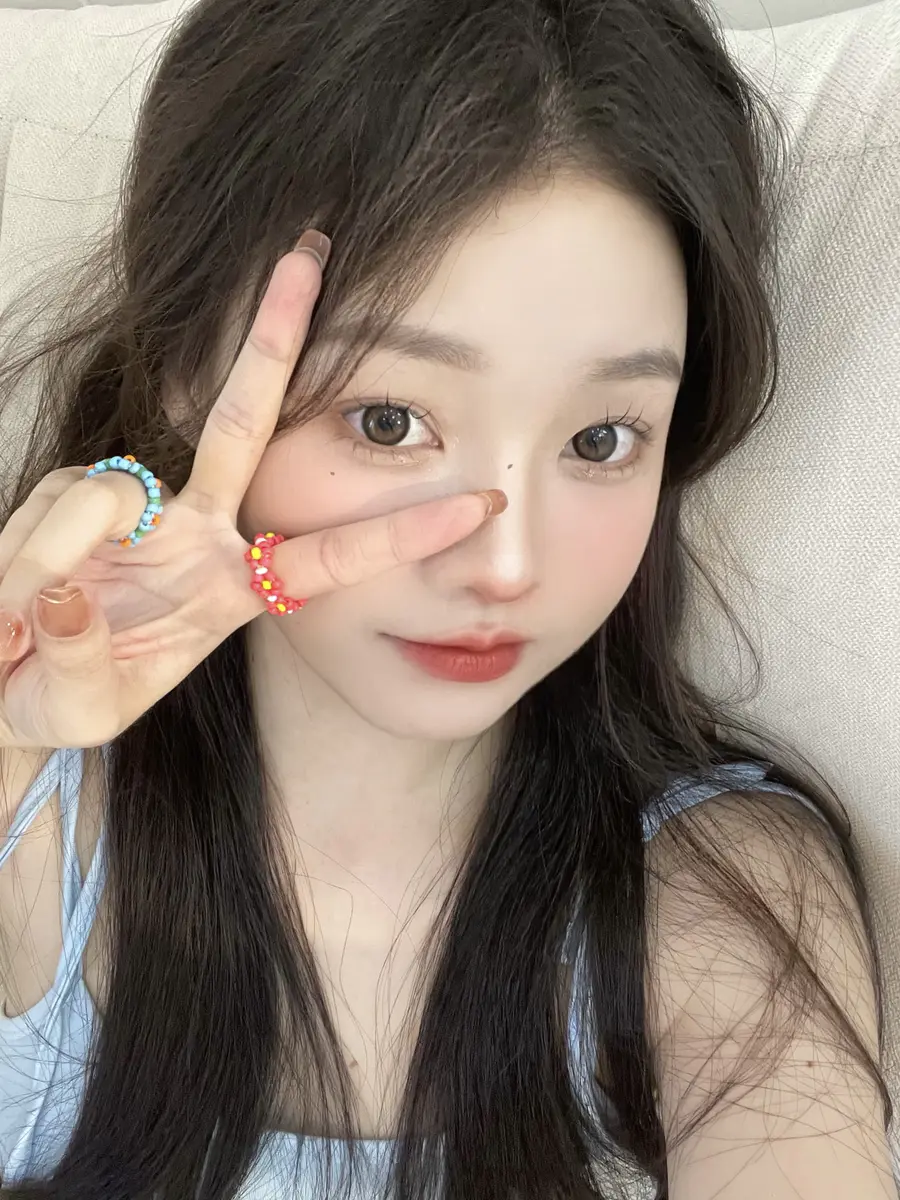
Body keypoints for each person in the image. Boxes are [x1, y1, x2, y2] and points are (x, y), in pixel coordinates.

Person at [0, 0, 894, 1196]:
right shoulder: (32, 815)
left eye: (601, 438)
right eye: (388, 421)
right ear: (182, 370)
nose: (506, 565)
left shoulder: (712, 905)